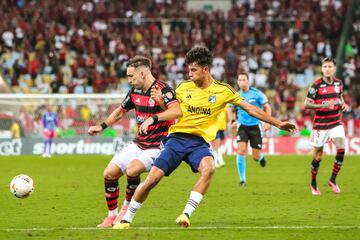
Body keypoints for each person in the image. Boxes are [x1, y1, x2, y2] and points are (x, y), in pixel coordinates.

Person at [113, 47, 296, 229]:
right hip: (176, 139)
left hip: (199, 143)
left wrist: (277, 123)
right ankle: (126, 219)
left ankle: (185, 214)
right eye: (188, 69)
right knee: (153, 179)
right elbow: (172, 111)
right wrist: (160, 102)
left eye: (193, 70)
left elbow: (250, 108)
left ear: (205, 69)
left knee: (209, 169)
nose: (189, 73)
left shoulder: (223, 90)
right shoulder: (184, 88)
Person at [87, 56, 182, 228]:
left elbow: (177, 111)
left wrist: (153, 118)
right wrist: (102, 126)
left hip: (158, 146)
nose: (129, 80)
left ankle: (125, 210)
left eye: (131, 76)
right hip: (139, 142)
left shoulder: (163, 90)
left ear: (143, 74)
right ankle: (111, 216)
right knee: (109, 173)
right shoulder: (135, 91)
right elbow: (120, 111)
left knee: (132, 170)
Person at [304, 57, 349, 195]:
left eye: (330, 67)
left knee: (341, 149)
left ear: (334, 68)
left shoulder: (339, 83)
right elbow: (307, 104)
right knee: (318, 156)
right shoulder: (316, 85)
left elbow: (339, 97)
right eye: (325, 67)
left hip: (335, 121)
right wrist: (322, 105)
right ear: (322, 69)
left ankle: (333, 180)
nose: (327, 69)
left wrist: (343, 104)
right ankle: (313, 183)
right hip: (320, 124)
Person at [229, 72, 272, 186]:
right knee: (241, 151)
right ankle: (242, 180)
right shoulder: (236, 95)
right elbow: (231, 109)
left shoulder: (257, 94)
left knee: (255, 157)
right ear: (238, 82)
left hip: (255, 126)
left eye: (244, 80)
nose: (241, 82)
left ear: (248, 81)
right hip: (242, 126)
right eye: (240, 80)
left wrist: (268, 121)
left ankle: (261, 157)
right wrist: (233, 121)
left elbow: (267, 107)